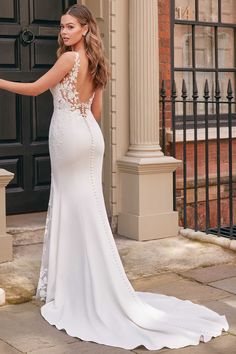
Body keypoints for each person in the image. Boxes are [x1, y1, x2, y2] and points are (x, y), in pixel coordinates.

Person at [0, 3, 229, 351]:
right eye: (62, 26)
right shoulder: (98, 63)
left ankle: (74, 286)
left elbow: (34, 90)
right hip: (91, 136)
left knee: (71, 205)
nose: (63, 32)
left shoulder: (68, 60)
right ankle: (92, 278)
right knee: (87, 207)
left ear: (85, 29)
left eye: (70, 27)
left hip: (70, 136)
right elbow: (96, 112)